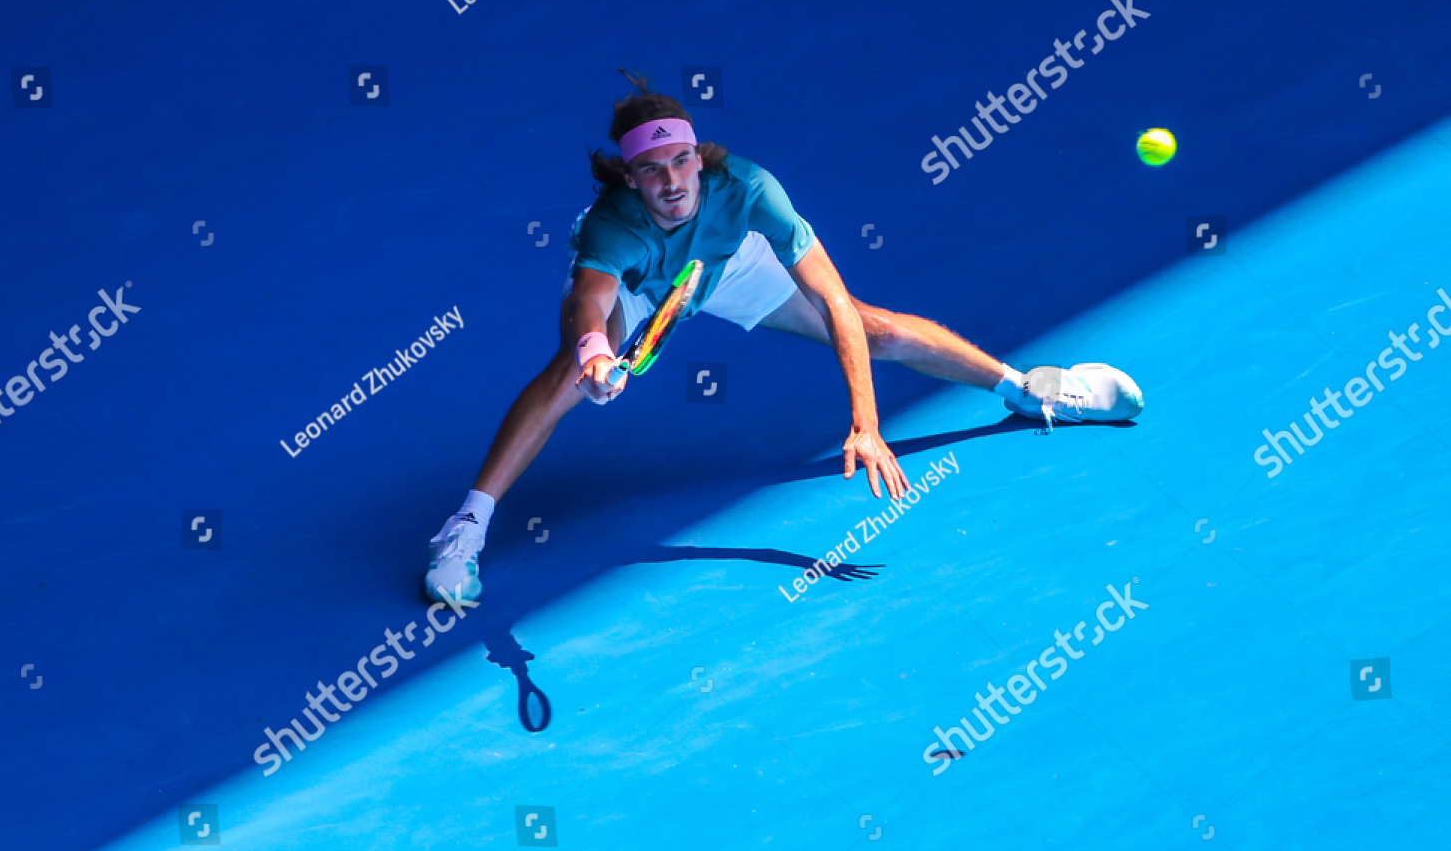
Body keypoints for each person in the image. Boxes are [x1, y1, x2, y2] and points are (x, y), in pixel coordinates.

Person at [425, 72, 1143, 603]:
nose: (671, 180)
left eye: (680, 162)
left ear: (698, 158)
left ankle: (1028, 388)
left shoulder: (749, 188)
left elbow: (832, 300)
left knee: (872, 327)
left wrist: (865, 423)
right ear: (631, 177)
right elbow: (588, 303)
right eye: (651, 170)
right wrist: (594, 353)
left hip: (724, 262)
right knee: (566, 379)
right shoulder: (614, 225)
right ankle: (465, 530)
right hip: (643, 285)